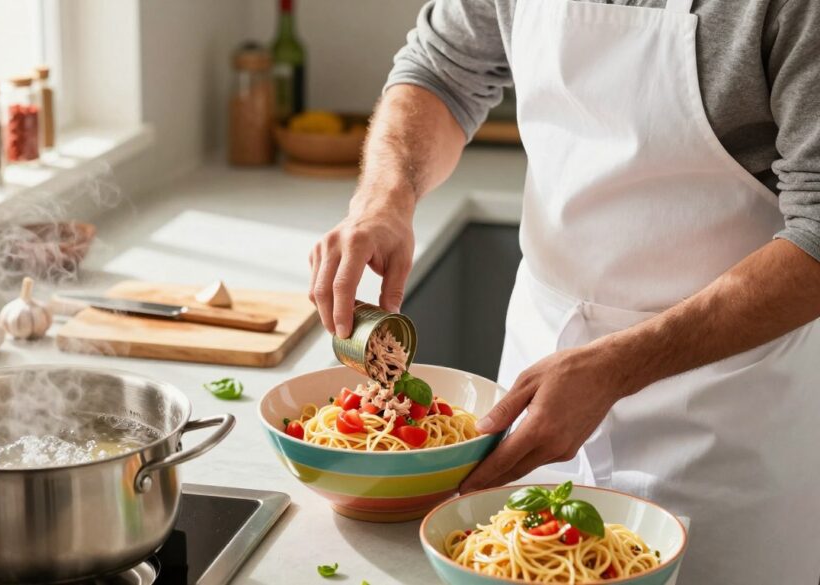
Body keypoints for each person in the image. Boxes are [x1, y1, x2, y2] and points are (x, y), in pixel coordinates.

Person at [308, 1, 820, 583]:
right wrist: (385, 196)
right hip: (538, 368)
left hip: (728, 407)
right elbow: (441, 70)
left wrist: (619, 364)